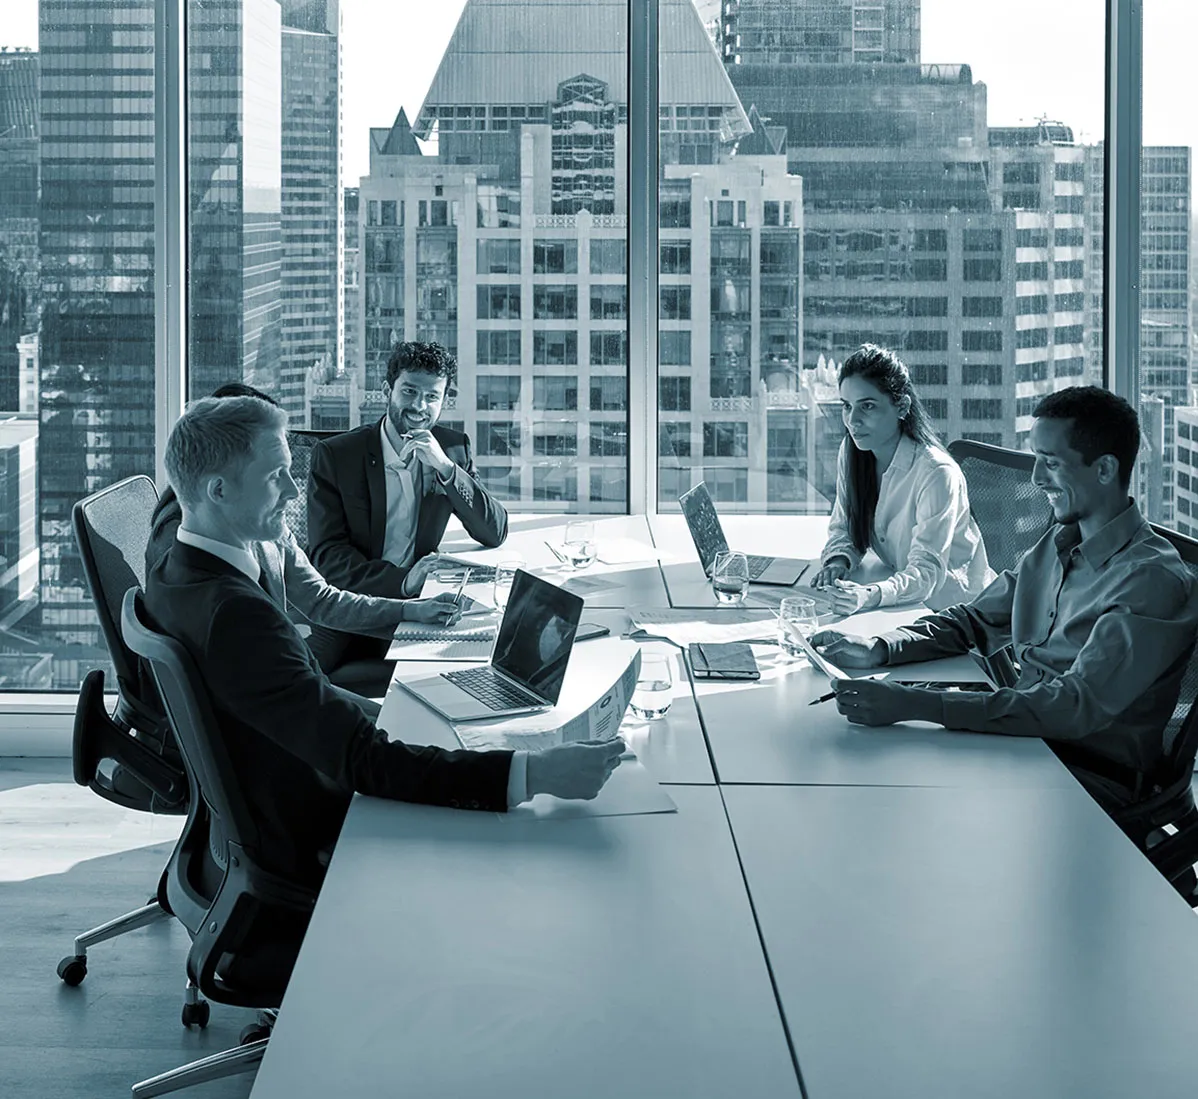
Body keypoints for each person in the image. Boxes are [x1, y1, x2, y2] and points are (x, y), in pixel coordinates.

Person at [145, 395, 624, 896]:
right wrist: (536, 772)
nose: (292, 490)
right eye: (275, 476)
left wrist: (392, 714)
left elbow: (303, 699)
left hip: (283, 780)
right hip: (315, 822)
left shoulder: (181, 568)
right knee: (545, 863)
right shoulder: (238, 617)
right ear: (217, 491)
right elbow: (360, 760)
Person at [809, 386, 1198, 816]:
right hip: (1028, 742)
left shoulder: (1149, 580)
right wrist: (882, 647)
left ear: (1105, 469)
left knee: (902, 805)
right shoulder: (1060, 542)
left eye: (1051, 463)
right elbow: (974, 620)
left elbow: (1071, 707)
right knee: (866, 783)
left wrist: (920, 704)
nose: (1036, 478)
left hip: (1087, 777)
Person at [146, 385, 465, 700]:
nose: (293, 491)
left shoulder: (264, 525)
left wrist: (412, 610)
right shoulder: (190, 560)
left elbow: (320, 599)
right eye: (273, 474)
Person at [307, 342, 509, 693]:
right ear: (388, 390)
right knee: (307, 683)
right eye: (409, 391)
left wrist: (446, 469)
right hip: (356, 602)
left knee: (463, 676)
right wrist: (403, 583)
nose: (419, 406)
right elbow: (328, 558)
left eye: (432, 396)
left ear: (444, 400)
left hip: (422, 606)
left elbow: (494, 532)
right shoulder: (337, 456)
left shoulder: (452, 448)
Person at [811, 344, 994, 615]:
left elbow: (926, 573)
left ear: (902, 407)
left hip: (953, 614)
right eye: (847, 406)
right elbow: (846, 527)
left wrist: (869, 595)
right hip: (902, 604)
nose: (853, 420)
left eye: (868, 406)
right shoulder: (853, 451)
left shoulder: (936, 472)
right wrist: (838, 561)